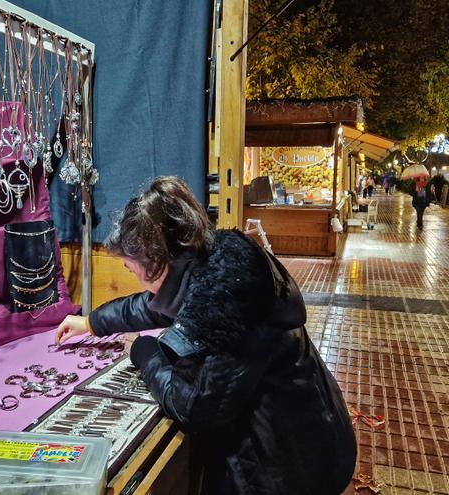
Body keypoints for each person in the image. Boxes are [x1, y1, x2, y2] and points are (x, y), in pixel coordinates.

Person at [55, 176, 356, 494]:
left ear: (157, 263)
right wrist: (91, 323)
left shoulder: (225, 305)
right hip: (317, 436)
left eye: (131, 269)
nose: (133, 277)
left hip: (289, 468)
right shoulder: (211, 263)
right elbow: (153, 306)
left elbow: (194, 405)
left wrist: (144, 353)